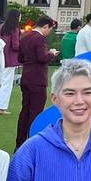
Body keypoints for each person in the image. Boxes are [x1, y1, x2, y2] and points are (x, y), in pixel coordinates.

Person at [16, 16, 59, 147]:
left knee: (25, 111)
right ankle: (32, 141)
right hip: (37, 78)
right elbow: (42, 57)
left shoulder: (25, 36)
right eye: (50, 29)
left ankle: (20, 141)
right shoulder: (39, 38)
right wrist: (51, 54)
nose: (49, 32)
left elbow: (20, 57)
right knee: (35, 112)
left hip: (26, 77)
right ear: (45, 26)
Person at [0, 9, 23, 116]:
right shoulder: (14, 29)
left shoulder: (2, 27)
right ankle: (1, 107)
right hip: (10, 58)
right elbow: (15, 45)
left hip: (0, 57)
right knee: (7, 84)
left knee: (0, 82)